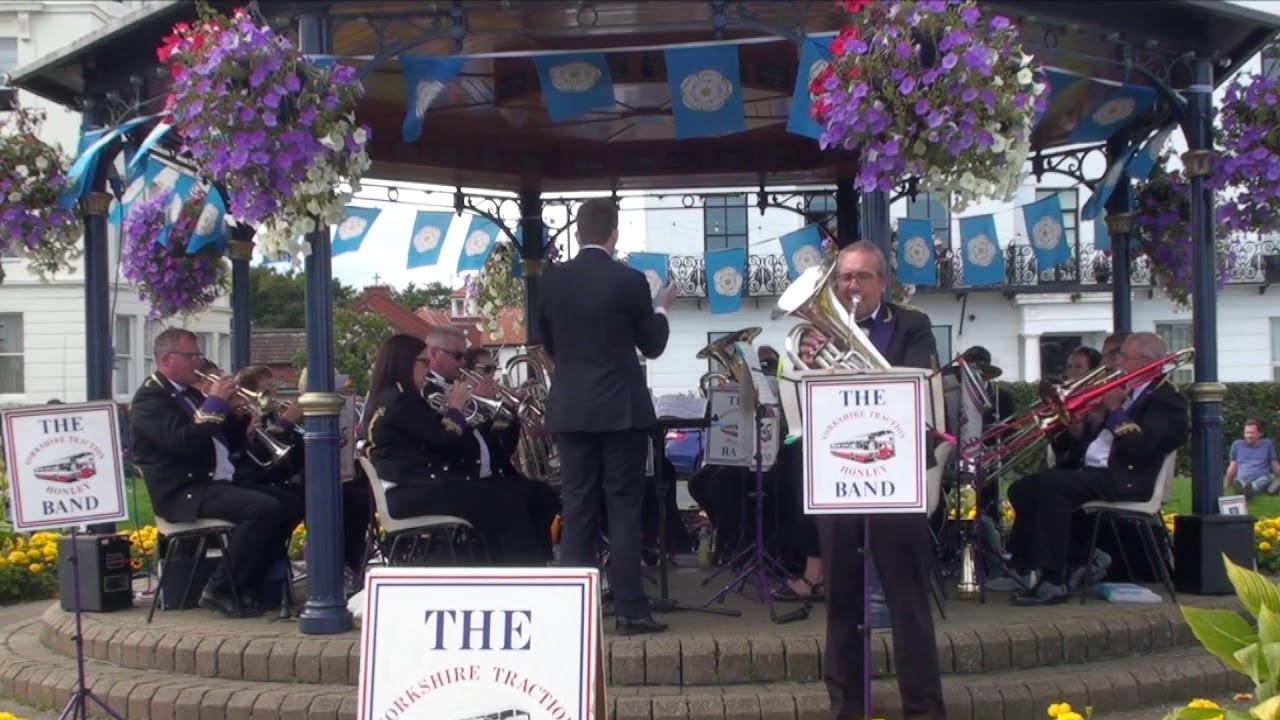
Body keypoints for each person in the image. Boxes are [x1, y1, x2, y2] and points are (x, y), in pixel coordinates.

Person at [797, 241, 945, 720]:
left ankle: (923, 708)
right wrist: (807, 359)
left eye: (862, 277)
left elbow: (918, 380)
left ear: (883, 282)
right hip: (840, 479)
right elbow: (803, 403)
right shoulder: (816, 333)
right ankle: (847, 706)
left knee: (908, 602)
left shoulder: (911, 325)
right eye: (843, 278)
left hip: (894, 478)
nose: (851, 287)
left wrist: (856, 360)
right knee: (842, 602)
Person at [535, 197, 675, 636]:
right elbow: (651, 345)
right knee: (624, 508)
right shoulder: (630, 281)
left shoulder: (551, 282)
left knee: (577, 507)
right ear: (614, 234)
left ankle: (577, 611)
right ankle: (631, 610)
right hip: (621, 411)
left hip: (572, 410)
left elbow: (548, 342)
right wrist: (662, 307)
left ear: (578, 234)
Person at [1005, 332, 1189, 606]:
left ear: (1150, 361)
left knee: (1049, 489)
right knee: (1022, 488)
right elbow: (1099, 444)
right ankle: (1061, 560)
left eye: (1124, 356)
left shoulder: (1167, 400)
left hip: (1126, 478)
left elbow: (1140, 447)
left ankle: (1054, 580)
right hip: (1094, 471)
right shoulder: (1127, 390)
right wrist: (1083, 426)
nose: (1117, 362)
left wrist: (1114, 410)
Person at [129, 328, 292, 618]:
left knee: (291, 500)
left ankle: (249, 583)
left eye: (198, 355)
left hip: (212, 483)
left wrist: (237, 417)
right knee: (262, 509)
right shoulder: (150, 400)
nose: (198, 363)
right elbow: (183, 442)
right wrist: (215, 403)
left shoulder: (189, 394)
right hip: (183, 491)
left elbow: (221, 441)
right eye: (191, 356)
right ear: (167, 358)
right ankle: (219, 588)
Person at [364, 332, 545, 565]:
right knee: (505, 503)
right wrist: (456, 408)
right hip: (410, 493)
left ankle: (522, 570)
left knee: (516, 497)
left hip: (419, 486)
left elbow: (440, 439)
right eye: (424, 362)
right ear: (406, 362)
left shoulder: (400, 397)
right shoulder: (401, 401)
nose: (428, 370)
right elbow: (444, 437)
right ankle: (521, 576)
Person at [460, 346, 561, 560]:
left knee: (543, 495)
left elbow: (503, 448)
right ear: (467, 375)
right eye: (487, 370)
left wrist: (510, 413)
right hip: (472, 480)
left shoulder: (486, 406)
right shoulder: (464, 406)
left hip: (497, 475)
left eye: (494, 369)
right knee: (515, 502)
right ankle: (521, 564)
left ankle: (542, 560)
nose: (493, 376)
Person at [1226, 420, 1280, 497]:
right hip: (1242, 479)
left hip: (1261, 478)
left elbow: (1274, 464)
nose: (1249, 435)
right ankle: (1243, 490)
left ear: (1260, 434)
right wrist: (1227, 486)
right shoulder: (1237, 445)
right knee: (1239, 482)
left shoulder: (1267, 444)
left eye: (1252, 433)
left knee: (1263, 481)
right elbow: (1232, 466)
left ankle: (1248, 491)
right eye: (1247, 433)